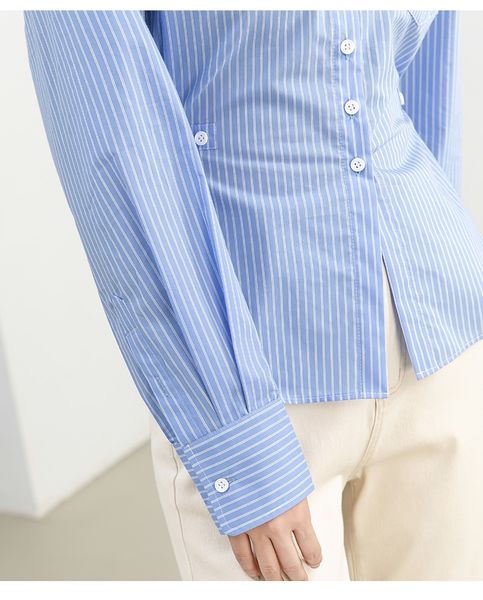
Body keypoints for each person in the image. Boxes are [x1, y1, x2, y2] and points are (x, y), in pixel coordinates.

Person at [24, 10, 483, 581]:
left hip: (440, 343)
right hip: (257, 380)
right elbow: (119, 154)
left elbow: (422, 87)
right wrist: (233, 441)